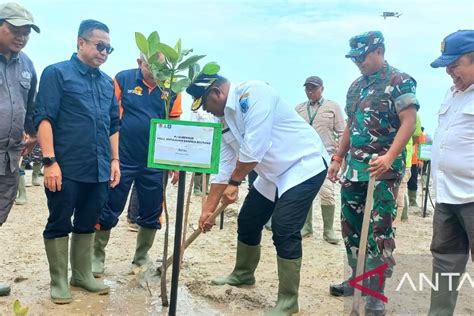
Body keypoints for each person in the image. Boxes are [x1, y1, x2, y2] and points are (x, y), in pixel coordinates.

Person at [186, 72, 329, 315]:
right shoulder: (225, 118)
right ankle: (243, 274)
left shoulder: (254, 94)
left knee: (284, 228)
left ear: (217, 93)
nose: (207, 111)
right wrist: (207, 210)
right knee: (249, 220)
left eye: (206, 104)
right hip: (272, 174)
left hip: (302, 165)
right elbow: (225, 164)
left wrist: (235, 183)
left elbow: (254, 148)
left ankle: (288, 301)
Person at [327, 31, 418, 315]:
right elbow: (350, 125)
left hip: (383, 172)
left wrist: (390, 157)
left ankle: (375, 293)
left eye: (362, 57)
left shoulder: (399, 81)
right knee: (350, 228)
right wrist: (338, 157)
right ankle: (356, 279)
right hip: (354, 170)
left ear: (379, 50)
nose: (358, 62)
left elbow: (409, 121)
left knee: (379, 232)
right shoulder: (356, 86)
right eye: (354, 58)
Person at [34, 19, 119, 304]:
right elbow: (44, 117)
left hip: (98, 167)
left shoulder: (108, 84)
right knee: (59, 221)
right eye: (99, 46)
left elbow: (113, 125)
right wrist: (49, 162)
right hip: (65, 167)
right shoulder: (57, 73)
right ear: (80, 42)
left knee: (88, 221)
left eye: (109, 48)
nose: (104, 52)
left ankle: (81, 275)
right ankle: (58, 281)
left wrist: (115, 161)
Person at [91, 55, 181, 277]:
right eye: (152, 64)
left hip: (155, 162)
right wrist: (111, 156)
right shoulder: (123, 79)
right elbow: (110, 117)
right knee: (109, 204)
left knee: (152, 210)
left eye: (162, 65)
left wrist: (175, 162)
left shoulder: (172, 88)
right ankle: (96, 256)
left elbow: (175, 123)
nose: (156, 70)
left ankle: (141, 258)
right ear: (140, 61)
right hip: (123, 157)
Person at [428, 29, 474, 316]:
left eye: (455, 64)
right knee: (444, 264)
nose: (449, 71)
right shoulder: (453, 92)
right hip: (446, 197)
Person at [0, 2, 39, 297]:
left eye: (26, 32)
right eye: (15, 30)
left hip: (10, 156)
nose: (21, 36)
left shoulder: (26, 65)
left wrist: (34, 135)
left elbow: (31, 108)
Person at [295, 75, 345, 243]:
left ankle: (328, 230)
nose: (311, 92)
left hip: (326, 157)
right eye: (308, 88)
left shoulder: (333, 107)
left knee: (327, 193)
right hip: (304, 158)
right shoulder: (299, 109)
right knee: (304, 193)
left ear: (322, 89)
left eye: (314, 88)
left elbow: (342, 133)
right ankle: (306, 227)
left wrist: (339, 159)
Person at [394, 113, 422, 225]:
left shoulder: (414, 114)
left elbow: (416, 138)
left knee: (400, 192)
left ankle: (395, 223)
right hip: (384, 160)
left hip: (404, 162)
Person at [407, 125, 426, 207]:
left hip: (413, 161)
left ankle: (412, 201)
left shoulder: (419, 133)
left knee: (413, 181)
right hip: (402, 160)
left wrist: (420, 160)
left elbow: (422, 145)